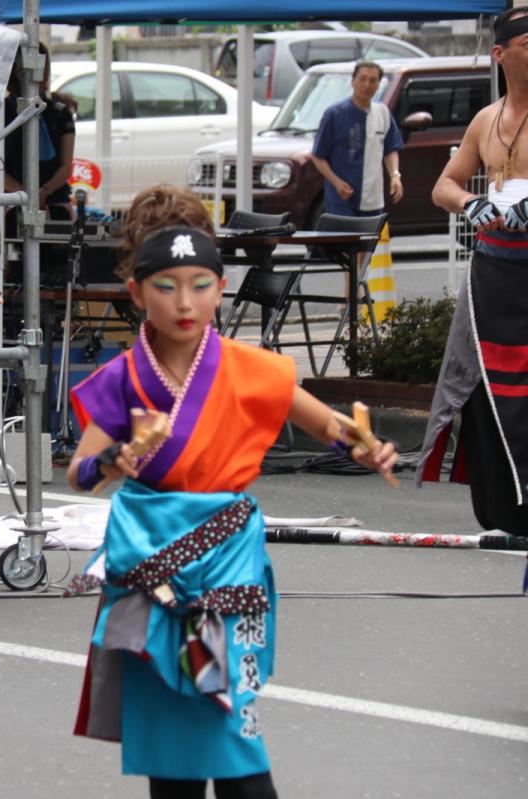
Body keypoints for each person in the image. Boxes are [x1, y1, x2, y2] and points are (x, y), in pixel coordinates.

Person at [64, 185, 396, 799]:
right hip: (148, 571)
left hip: (223, 569)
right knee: (169, 744)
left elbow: (328, 425)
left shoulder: (252, 368)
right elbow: (81, 473)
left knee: (229, 725)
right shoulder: (122, 379)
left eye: (200, 284)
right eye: (166, 286)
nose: (185, 303)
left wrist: (364, 445)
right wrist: (117, 457)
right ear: (137, 291)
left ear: (221, 285)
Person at [417, 7, 528, 537]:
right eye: (527, 42)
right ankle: (501, 508)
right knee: (484, 387)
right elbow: (443, 185)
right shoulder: (487, 119)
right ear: (501, 54)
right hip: (492, 271)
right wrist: (470, 203)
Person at [0, 42, 76, 231]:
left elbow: (67, 166)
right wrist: (23, 192)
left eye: (42, 66)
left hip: (54, 205)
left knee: (55, 259)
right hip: (10, 206)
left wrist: (43, 192)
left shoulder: (59, 112)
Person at [310, 61, 405, 219]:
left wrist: (395, 175)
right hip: (341, 198)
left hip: (373, 198)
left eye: (373, 80)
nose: (367, 85)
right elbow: (318, 156)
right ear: (353, 81)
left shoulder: (382, 112)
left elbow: (390, 148)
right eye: (362, 79)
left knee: (369, 242)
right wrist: (336, 183)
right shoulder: (334, 114)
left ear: (378, 85)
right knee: (344, 241)